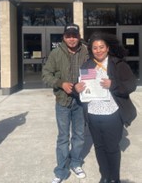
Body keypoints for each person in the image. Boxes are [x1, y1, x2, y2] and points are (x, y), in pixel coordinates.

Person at [75, 32, 137, 183]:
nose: (98, 50)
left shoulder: (118, 64)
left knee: (112, 148)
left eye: (101, 47)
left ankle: (114, 178)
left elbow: (131, 85)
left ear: (107, 48)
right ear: (91, 50)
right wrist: (77, 89)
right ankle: (105, 176)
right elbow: (83, 91)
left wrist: (113, 85)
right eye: (95, 48)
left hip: (113, 114)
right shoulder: (87, 65)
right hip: (93, 114)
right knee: (99, 147)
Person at [42, 24, 89, 183]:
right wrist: (61, 83)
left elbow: (93, 71)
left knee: (79, 136)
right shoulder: (56, 53)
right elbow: (46, 75)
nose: (71, 39)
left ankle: (75, 163)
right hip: (62, 101)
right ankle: (61, 171)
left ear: (78, 36)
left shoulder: (86, 51)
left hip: (81, 101)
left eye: (74, 35)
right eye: (68, 35)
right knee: (63, 137)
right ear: (63, 37)